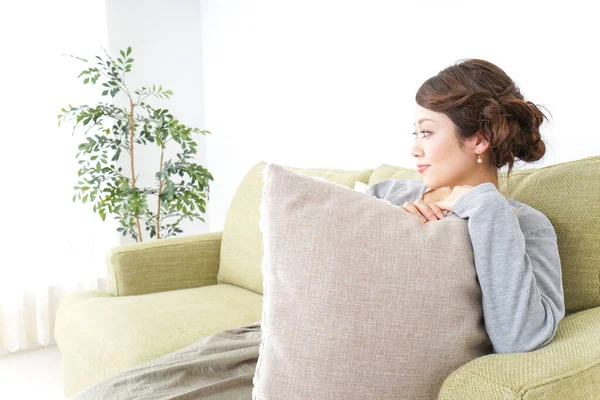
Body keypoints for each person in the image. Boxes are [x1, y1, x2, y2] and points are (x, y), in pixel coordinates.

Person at [362, 59, 565, 354]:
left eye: (427, 132)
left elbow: (520, 339)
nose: (414, 149)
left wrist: (486, 205)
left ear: (478, 140)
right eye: (415, 133)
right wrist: (391, 225)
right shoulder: (388, 194)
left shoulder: (524, 224)